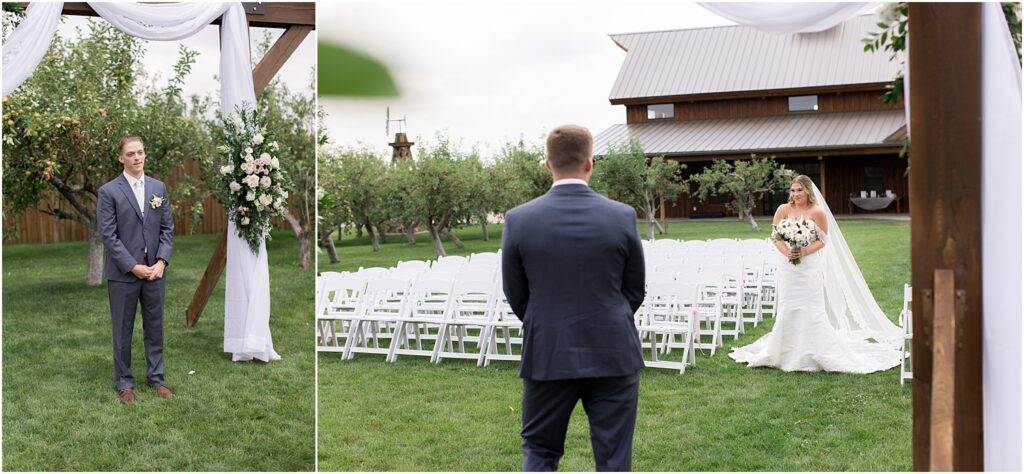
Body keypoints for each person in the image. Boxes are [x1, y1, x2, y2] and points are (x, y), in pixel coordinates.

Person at [501, 125, 646, 471]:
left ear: (548, 165)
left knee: (540, 450)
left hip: (548, 349)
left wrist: (546, 319)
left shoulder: (518, 220)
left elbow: (515, 292)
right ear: (589, 163)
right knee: (614, 457)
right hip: (613, 349)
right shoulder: (622, 216)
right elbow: (634, 288)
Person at [729, 175, 901, 373]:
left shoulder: (817, 212)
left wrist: (803, 251)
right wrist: (788, 253)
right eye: (793, 190)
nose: (795, 194)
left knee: (811, 306)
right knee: (788, 305)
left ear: (808, 192)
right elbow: (775, 237)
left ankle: (815, 350)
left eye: (799, 190)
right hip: (788, 267)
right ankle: (784, 351)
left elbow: (823, 240)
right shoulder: (783, 210)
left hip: (809, 267)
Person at [97, 135, 174, 404]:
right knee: (123, 329)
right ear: (121, 158)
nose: (137, 157)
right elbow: (109, 236)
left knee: (155, 327)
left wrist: (161, 262)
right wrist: (133, 266)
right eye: (131, 154)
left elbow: (166, 229)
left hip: (155, 272)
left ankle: (156, 378)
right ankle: (125, 382)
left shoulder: (158, 187)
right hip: (123, 275)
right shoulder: (109, 191)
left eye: (140, 152)